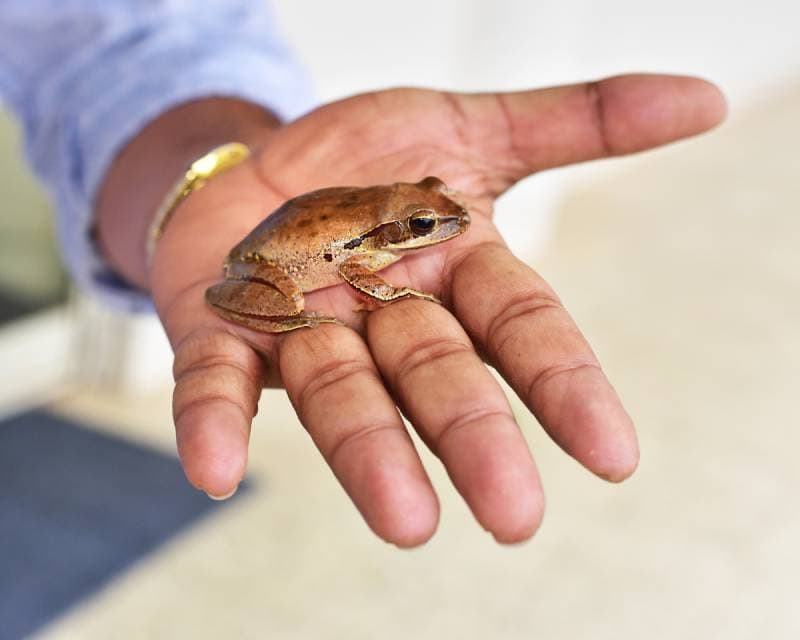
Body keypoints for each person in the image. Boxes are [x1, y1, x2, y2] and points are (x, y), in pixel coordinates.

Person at [0, 1, 726, 546]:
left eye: (433, 213)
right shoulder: (371, 248)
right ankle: (285, 315)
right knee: (293, 302)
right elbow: (350, 262)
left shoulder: (399, 208)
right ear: (395, 231)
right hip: (268, 263)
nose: (441, 226)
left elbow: (118, 28)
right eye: (422, 228)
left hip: (285, 210)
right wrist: (383, 291)